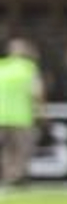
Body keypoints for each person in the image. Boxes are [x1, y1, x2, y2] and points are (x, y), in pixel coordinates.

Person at [0, 39, 44, 188]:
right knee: (22, 150)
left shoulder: (2, 66)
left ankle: (8, 177)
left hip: (2, 116)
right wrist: (41, 112)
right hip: (22, 117)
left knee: (6, 151)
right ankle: (17, 178)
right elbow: (37, 93)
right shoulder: (28, 68)